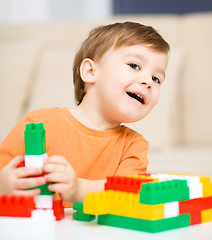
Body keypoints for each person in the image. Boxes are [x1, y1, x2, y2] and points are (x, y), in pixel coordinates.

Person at [0, 22, 170, 205]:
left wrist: (79, 190)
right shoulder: (37, 123)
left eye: (156, 78)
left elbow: (127, 194)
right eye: (134, 65)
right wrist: (3, 187)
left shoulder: (134, 145)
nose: (148, 82)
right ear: (90, 71)